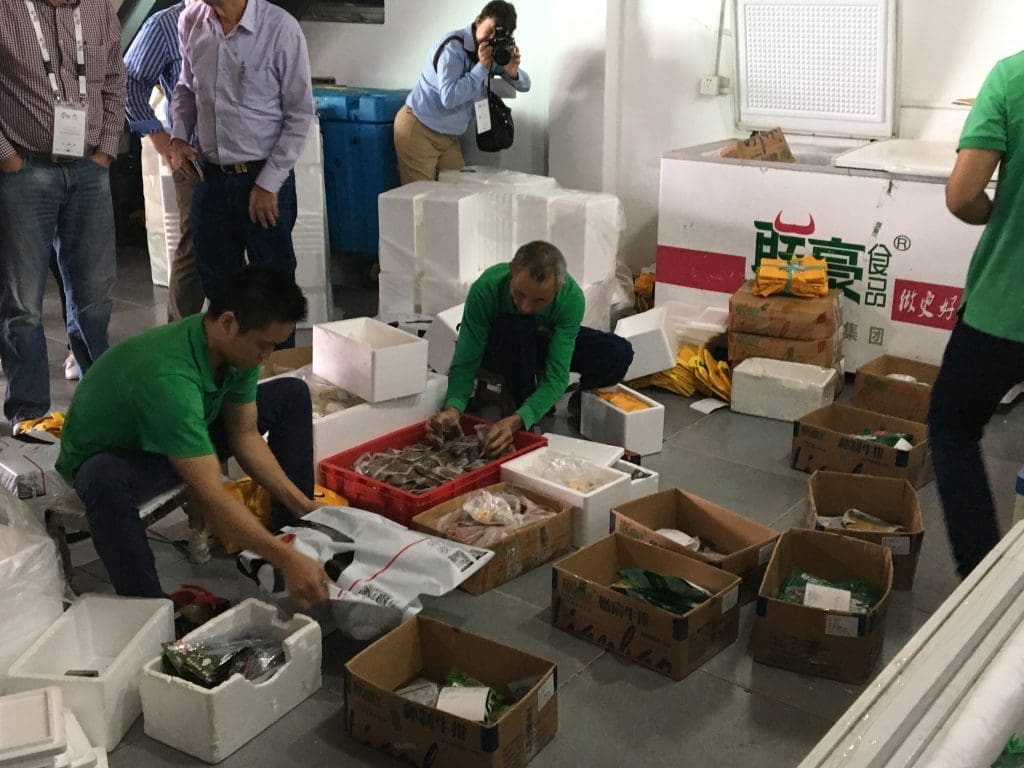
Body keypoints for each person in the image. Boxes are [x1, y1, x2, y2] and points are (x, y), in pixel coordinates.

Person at [55, 265, 329, 609]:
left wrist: (303, 506)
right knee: (102, 480)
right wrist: (285, 561)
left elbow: (244, 435)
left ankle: (294, 531)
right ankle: (150, 611)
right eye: (264, 345)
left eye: (273, 346)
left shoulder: (236, 351)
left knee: (291, 394)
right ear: (228, 323)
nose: (267, 356)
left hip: (185, 427)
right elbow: (211, 496)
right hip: (124, 454)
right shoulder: (170, 377)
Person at [0, 0, 124, 433]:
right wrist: (8, 157)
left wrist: (106, 151)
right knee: (22, 303)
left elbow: (113, 82)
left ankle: (100, 401)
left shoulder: (98, 9)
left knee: (94, 298)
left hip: (89, 169)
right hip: (25, 169)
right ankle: (30, 411)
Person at [930, 50, 1024, 577]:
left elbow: (963, 195)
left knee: (952, 427)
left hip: (1004, 308)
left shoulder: (1013, 77)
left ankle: (982, 576)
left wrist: (1002, 214)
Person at [168, 0, 314, 333]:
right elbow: (186, 88)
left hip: (262, 181)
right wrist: (178, 136)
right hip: (211, 179)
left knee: (273, 293)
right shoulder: (191, 21)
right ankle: (227, 377)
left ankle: (274, 376)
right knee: (218, 291)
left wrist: (268, 184)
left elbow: (300, 115)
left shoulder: (280, 29)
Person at [429, 241, 634, 455]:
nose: (525, 306)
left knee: (617, 352)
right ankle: (523, 409)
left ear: (559, 286)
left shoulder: (571, 298)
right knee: (520, 325)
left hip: (541, 340)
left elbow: (557, 375)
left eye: (540, 300)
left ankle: (578, 403)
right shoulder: (486, 288)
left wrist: (517, 420)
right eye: (518, 294)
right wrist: (454, 407)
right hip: (499, 345)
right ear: (511, 271)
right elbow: (467, 357)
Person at [124, 0, 205, 322]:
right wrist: (159, 137)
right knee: (195, 249)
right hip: (195, 159)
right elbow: (128, 81)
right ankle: (178, 340)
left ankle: (247, 347)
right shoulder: (166, 24)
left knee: (254, 253)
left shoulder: (260, 18)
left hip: (252, 158)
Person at [394, 0, 530, 185]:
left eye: (497, 34)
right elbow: (449, 98)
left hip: (448, 137)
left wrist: (512, 71)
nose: (490, 38)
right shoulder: (453, 48)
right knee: (420, 201)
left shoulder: (491, 53)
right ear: (478, 20)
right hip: (419, 129)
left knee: (458, 192)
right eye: (489, 30)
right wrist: (482, 67)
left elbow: (525, 85)